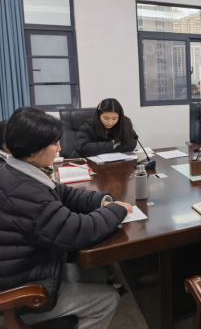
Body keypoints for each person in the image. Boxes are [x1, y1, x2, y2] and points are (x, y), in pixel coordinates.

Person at [0, 107, 133, 329]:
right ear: (33, 150)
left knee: (95, 272)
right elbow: (76, 231)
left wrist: (102, 201)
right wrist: (116, 211)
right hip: (20, 293)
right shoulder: (28, 193)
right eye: (54, 143)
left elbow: (64, 193)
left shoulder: (15, 170)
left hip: (26, 266)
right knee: (107, 299)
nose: (60, 148)